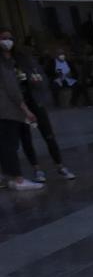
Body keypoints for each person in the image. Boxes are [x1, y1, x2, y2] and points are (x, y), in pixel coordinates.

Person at [13, 40, 72, 183]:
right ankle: (37, 169)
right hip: (19, 105)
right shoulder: (6, 66)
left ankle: (60, 165)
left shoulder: (29, 63)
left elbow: (42, 80)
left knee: (48, 134)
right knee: (26, 138)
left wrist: (32, 79)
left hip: (35, 102)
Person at [0, 29, 43, 193]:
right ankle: (17, 178)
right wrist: (26, 110)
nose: (7, 41)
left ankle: (9, 176)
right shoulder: (4, 65)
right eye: (3, 38)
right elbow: (12, 89)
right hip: (7, 109)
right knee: (9, 144)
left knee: (4, 144)